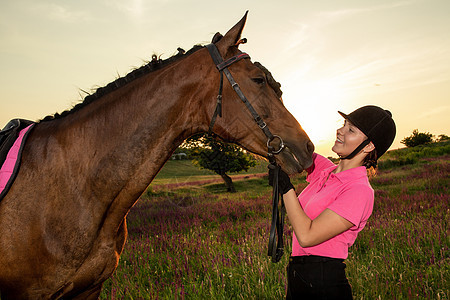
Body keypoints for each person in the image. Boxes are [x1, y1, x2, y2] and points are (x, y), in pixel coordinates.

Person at [269, 105, 396, 299]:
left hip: (323, 282)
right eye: (344, 124)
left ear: (369, 146)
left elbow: (307, 236)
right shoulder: (325, 171)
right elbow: (293, 146)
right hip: (297, 276)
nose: (340, 130)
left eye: (351, 130)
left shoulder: (359, 190)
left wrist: (286, 188)